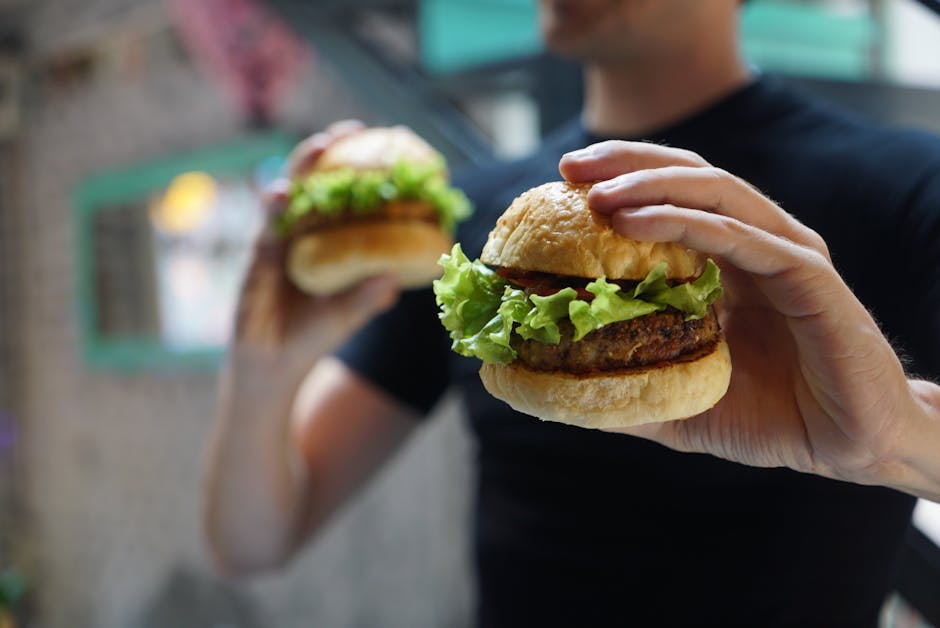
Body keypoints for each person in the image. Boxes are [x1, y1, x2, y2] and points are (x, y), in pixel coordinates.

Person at [204, 1, 940, 625]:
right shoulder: (475, 224)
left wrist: (896, 440)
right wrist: (261, 372)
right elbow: (256, 542)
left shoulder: (911, 187)